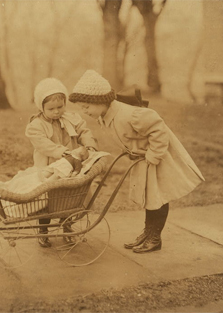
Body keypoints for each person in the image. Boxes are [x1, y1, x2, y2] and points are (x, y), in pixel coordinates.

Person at [69, 70, 205, 253]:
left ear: (99, 101)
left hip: (157, 160)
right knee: (150, 198)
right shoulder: (106, 115)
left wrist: (154, 155)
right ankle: (148, 232)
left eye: (86, 107)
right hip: (143, 160)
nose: (85, 112)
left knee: (158, 198)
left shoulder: (130, 114)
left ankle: (155, 237)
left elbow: (158, 128)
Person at [26, 78, 98, 248]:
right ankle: (43, 230)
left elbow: (83, 131)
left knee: (69, 198)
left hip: (70, 165)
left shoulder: (72, 118)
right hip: (49, 167)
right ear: (40, 107)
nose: (57, 112)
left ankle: (67, 226)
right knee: (47, 200)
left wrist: (89, 144)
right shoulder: (36, 125)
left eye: (60, 107)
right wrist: (61, 151)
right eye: (51, 109)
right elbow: (42, 143)